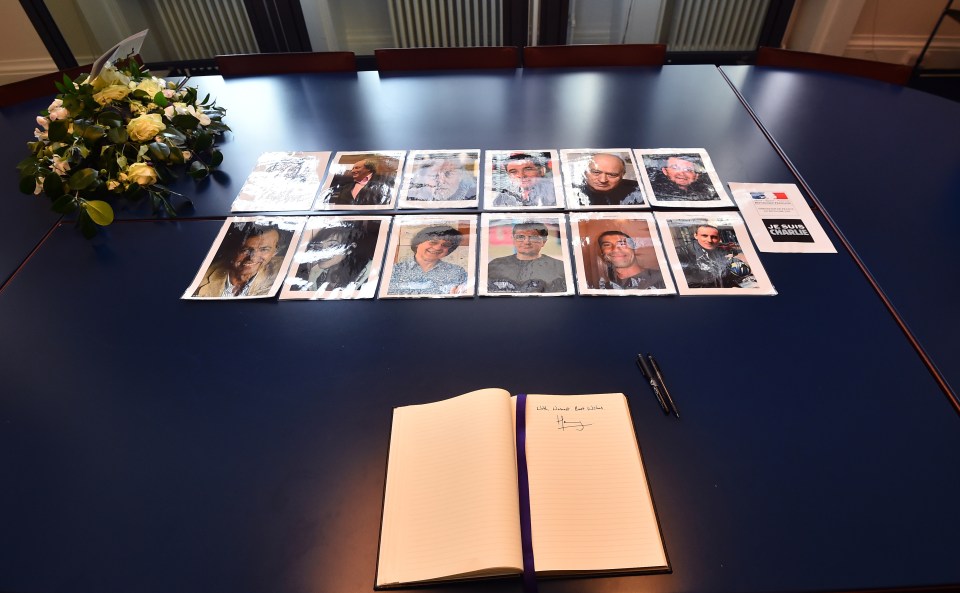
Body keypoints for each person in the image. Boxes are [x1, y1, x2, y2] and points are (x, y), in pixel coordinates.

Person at [194, 222, 283, 297]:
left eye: (264, 249)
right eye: (245, 250)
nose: (253, 258)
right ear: (231, 250)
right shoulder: (200, 280)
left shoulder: (284, 271)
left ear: (275, 252)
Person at [291, 222, 377, 291]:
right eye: (319, 247)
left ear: (350, 248)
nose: (322, 253)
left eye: (332, 246)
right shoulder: (314, 273)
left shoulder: (370, 273)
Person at [487, 222, 566, 293]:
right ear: (513, 239)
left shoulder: (559, 267)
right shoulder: (495, 266)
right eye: (520, 237)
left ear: (544, 241)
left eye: (533, 237)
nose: (527, 242)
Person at [388, 225, 468, 295]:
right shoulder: (393, 271)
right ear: (418, 242)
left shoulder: (458, 272)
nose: (438, 247)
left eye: (446, 245)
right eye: (433, 242)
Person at [675, 224, 751, 288]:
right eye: (704, 236)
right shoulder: (681, 253)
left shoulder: (719, 250)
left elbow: (741, 268)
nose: (709, 240)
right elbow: (693, 282)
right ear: (696, 235)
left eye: (714, 237)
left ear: (719, 239)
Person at [595, 230, 665, 290]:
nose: (615, 249)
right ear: (602, 252)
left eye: (622, 244)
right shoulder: (607, 288)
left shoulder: (662, 279)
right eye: (607, 245)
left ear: (634, 248)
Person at [576, 152, 645, 206]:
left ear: (622, 174)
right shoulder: (570, 191)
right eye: (596, 172)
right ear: (585, 172)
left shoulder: (639, 190)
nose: (603, 180)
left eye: (612, 175)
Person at [491, 152, 557, 207]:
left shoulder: (554, 193)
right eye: (513, 171)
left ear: (541, 171)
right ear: (509, 176)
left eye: (528, 169)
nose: (521, 175)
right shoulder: (503, 196)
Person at [646, 154, 719, 201]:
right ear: (665, 171)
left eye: (688, 169)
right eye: (675, 167)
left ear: (696, 176)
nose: (682, 173)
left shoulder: (708, 196)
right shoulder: (653, 194)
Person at [406, 154, 477, 201]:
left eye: (448, 173)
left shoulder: (474, 196)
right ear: (423, 179)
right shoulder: (412, 197)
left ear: (460, 176)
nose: (442, 181)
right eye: (434, 176)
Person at [325, 159, 392, 206]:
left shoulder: (383, 184)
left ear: (368, 169)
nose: (353, 171)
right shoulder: (345, 188)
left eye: (357, 168)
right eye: (353, 168)